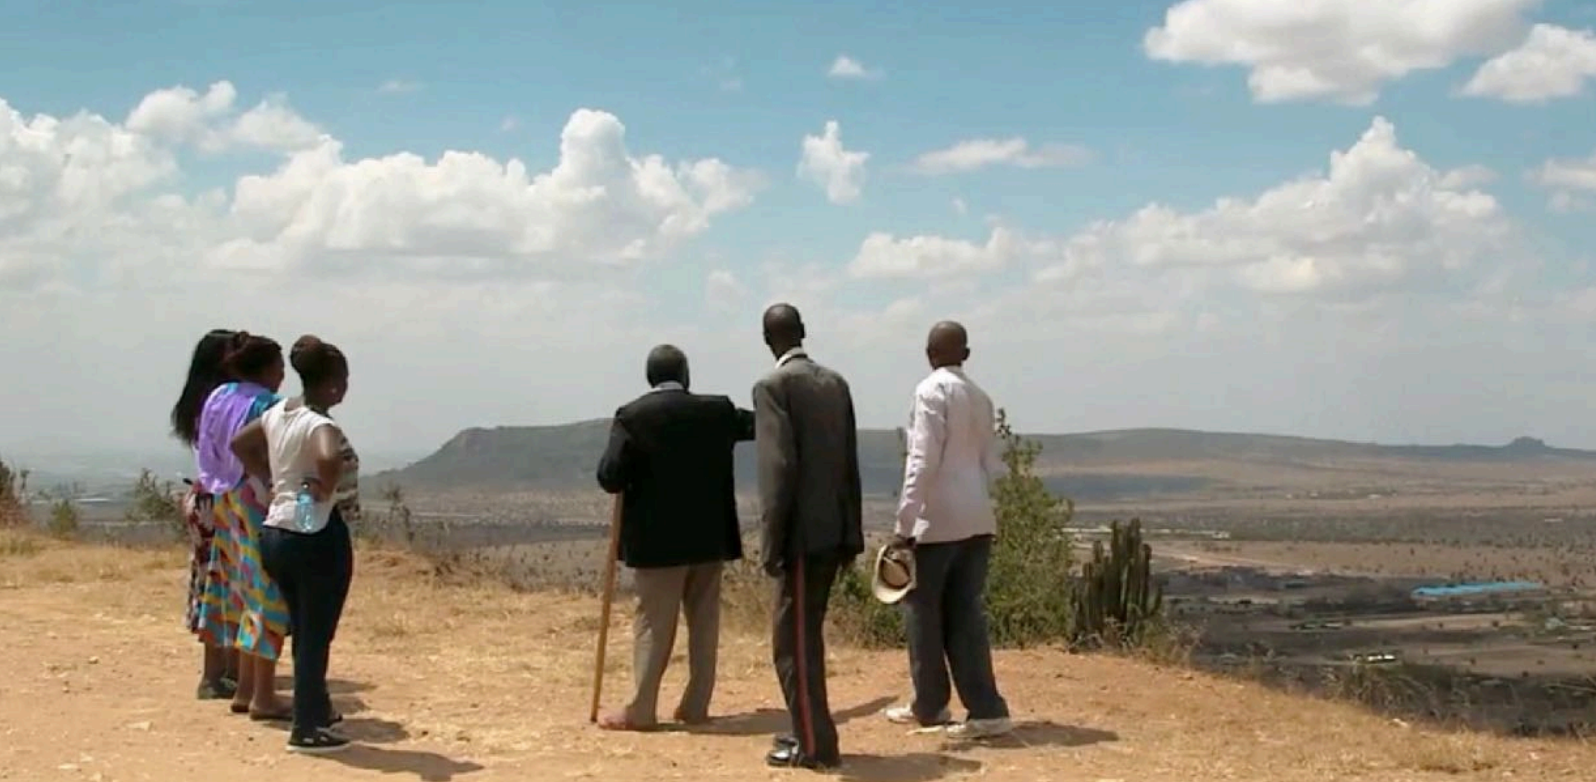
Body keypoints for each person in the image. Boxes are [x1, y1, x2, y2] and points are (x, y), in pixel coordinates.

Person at [593, 344, 756, 731]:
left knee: (654, 625)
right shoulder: (717, 411)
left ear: (650, 377)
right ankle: (696, 706)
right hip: (709, 538)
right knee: (704, 623)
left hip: (656, 544)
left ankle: (642, 709)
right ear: (685, 374)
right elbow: (759, 423)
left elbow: (609, 477)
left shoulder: (632, 416)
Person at [885, 321, 1013, 739]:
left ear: (928, 353)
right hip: (978, 517)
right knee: (966, 612)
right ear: (967, 354)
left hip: (938, 520)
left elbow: (921, 460)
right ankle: (986, 708)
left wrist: (904, 523)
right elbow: (992, 462)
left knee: (923, 611)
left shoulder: (930, 391)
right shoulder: (981, 397)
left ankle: (930, 704)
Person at [233, 335, 359, 754]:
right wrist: (323, 487)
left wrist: (269, 482)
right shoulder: (320, 424)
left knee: (304, 625)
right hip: (312, 535)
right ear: (333, 384)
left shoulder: (280, 413)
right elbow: (327, 457)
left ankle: (316, 708)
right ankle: (307, 727)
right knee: (314, 633)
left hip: (276, 530)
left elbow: (241, 444)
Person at [751, 303, 864, 770]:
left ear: (765, 338)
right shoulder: (834, 382)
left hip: (800, 537)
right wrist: (852, 534)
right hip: (833, 531)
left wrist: (772, 543)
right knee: (806, 639)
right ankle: (808, 730)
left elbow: (779, 471)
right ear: (804, 332)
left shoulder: (772, 387)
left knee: (792, 644)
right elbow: (849, 462)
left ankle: (814, 746)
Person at [196, 332, 292, 720]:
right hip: (255, 499)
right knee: (267, 590)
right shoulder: (268, 404)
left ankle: (245, 687)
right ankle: (261, 694)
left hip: (222, 498)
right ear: (268, 368)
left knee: (238, 586)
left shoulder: (217, 397)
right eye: (279, 367)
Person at [170, 328, 241, 700]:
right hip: (222, 501)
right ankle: (217, 673)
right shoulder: (223, 402)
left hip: (205, 499)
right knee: (225, 583)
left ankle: (223, 670)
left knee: (212, 581)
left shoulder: (199, 402)